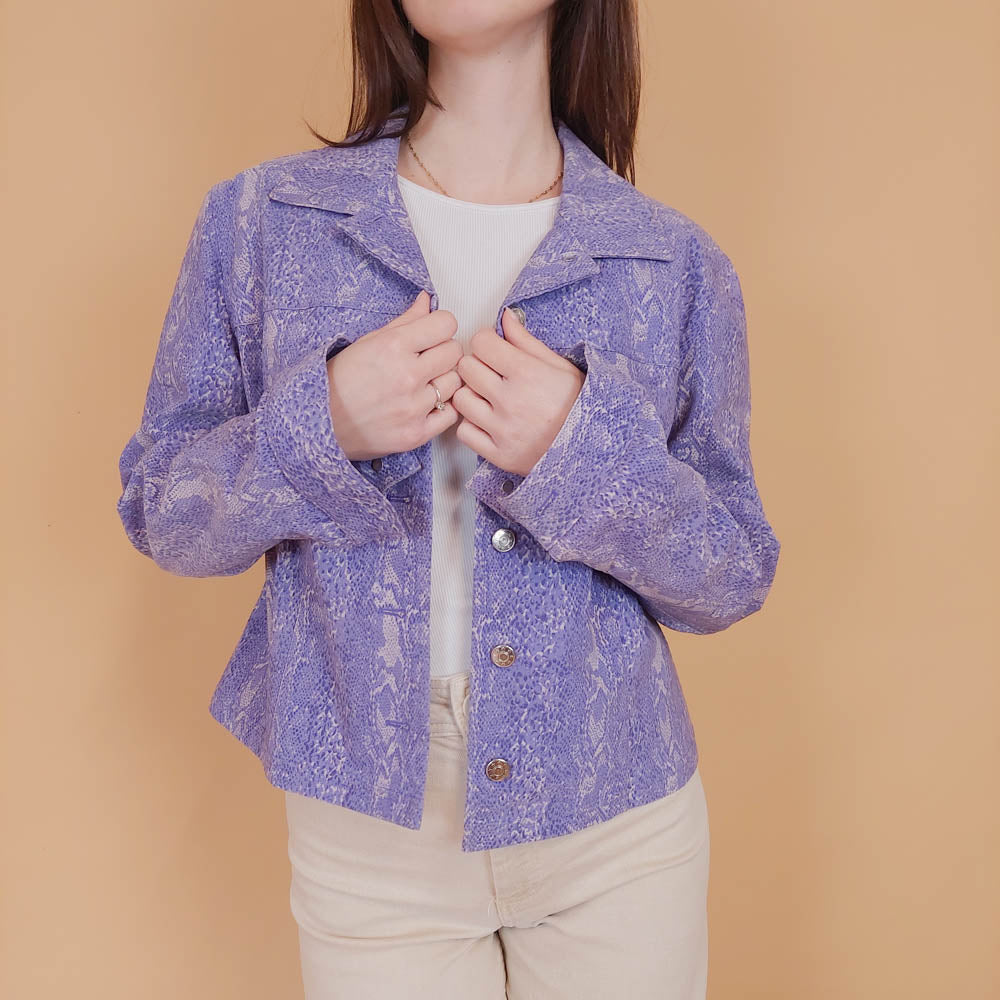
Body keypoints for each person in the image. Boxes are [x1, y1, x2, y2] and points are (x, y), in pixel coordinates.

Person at [116, 1, 782, 997]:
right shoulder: (264, 223)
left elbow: (729, 574)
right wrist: (322, 422)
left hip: (616, 819)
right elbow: (164, 511)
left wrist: (581, 453)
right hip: (369, 821)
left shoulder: (671, 261)